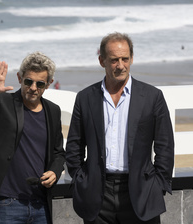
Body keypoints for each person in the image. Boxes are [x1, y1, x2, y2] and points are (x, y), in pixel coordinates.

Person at [66, 32, 174, 224]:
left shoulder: (152, 96)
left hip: (141, 193)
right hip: (98, 194)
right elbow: (74, 145)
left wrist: (158, 185)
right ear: (102, 61)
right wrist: (79, 180)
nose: (121, 65)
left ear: (132, 58)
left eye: (125, 59)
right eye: (114, 60)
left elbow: (165, 146)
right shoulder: (85, 98)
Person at [0, 52, 65, 224]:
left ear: (48, 84)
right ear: (20, 78)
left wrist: (55, 172)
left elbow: (58, 153)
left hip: (40, 204)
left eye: (40, 83)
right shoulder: (3, 102)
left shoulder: (53, 110)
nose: (33, 87)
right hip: (6, 203)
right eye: (28, 81)